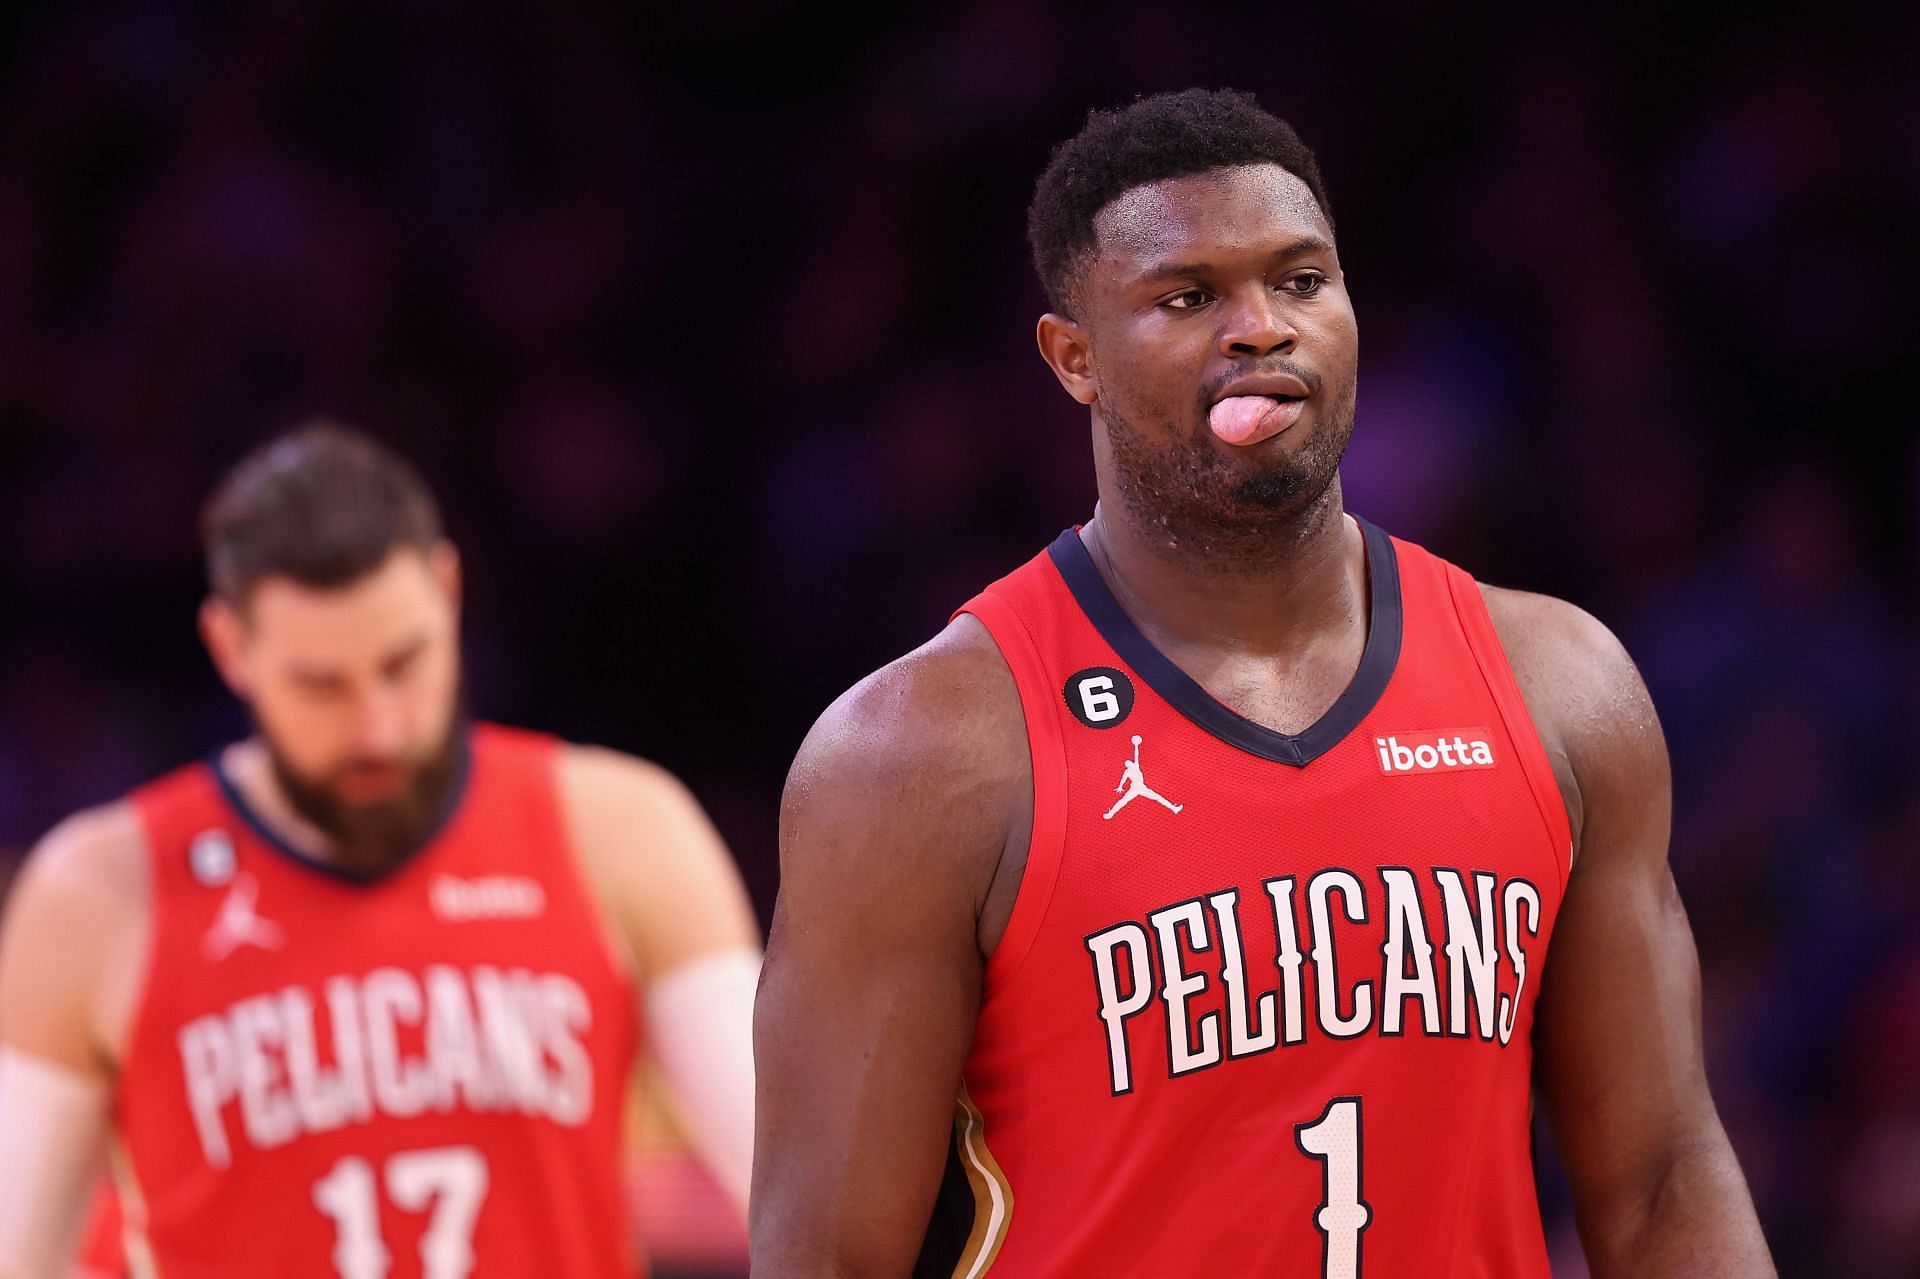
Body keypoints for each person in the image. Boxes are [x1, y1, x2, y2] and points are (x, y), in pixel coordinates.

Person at [751, 89, 1775, 1277]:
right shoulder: (918, 752)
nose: (1261, 329)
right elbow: (825, 1256)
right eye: (1190, 297)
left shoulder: (1559, 685)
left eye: (1300, 281)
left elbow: (1660, 1179)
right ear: (1072, 356)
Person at [0, 424, 760, 1279]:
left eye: (404, 661)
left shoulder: (621, 831)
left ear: (449, 590)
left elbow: (791, 1187)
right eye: (320, 684)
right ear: (230, 648)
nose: (378, 726)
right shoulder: (96, 894)